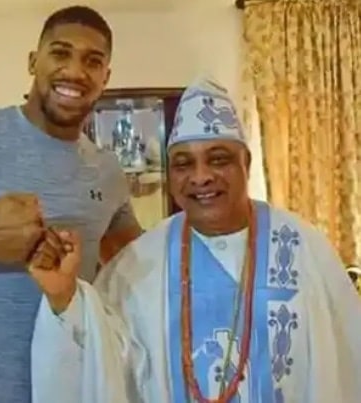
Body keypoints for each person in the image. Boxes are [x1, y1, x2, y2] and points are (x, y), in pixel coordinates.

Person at [38, 77, 361, 402]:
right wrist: (63, 297)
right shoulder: (138, 265)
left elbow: (348, 363)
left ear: (246, 164)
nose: (201, 176)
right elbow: (102, 359)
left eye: (218, 159)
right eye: (183, 164)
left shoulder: (306, 250)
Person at [0, 5, 142, 402]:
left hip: (68, 391)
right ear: (33, 61)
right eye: (60, 53)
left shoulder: (107, 171)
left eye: (92, 61)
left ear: (106, 78)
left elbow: (144, 270)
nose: (75, 71)